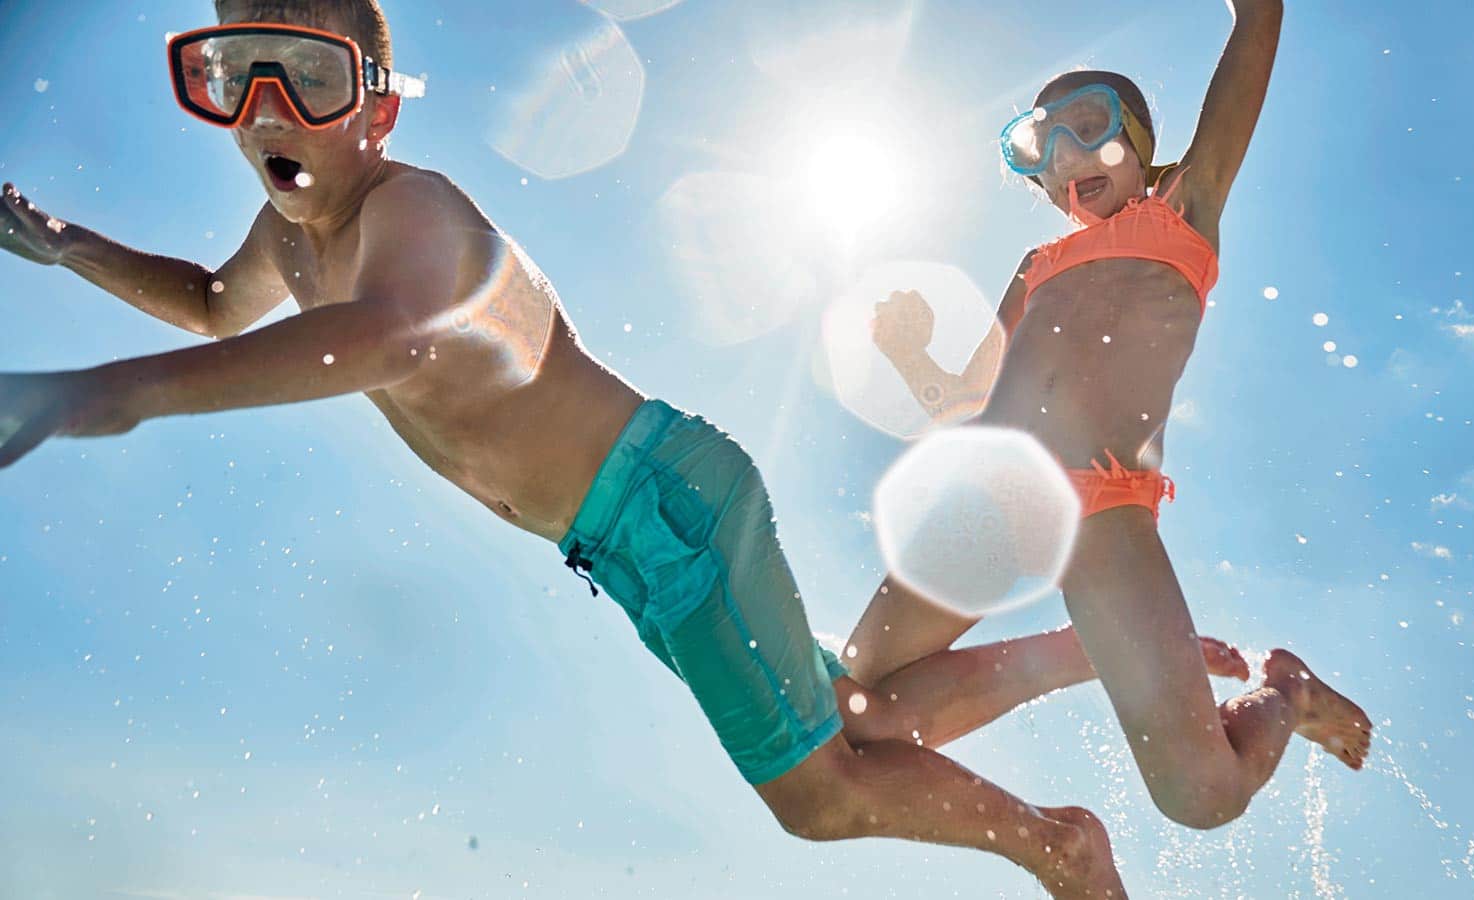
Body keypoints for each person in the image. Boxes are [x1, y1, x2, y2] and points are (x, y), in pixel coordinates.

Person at [0, 1, 1139, 895]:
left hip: (662, 500)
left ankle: (1058, 851)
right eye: (226, 73)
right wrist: (64, 248)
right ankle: (1078, 661)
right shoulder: (283, 240)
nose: (263, 110)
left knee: (817, 795)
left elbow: (389, 339)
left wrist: (115, 392)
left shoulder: (413, 212)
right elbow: (209, 303)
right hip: (624, 539)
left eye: (306, 79)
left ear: (377, 111)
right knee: (842, 711)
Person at [856, 0, 1373, 834]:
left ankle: (1288, 693)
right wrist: (914, 355)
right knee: (852, 710)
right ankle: (1069, 655)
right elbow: (967, 402)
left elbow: (1259, 25)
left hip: (1106, 512)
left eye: (1086, 123)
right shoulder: (1036, 266)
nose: (1065, 156)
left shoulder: (1186, 209)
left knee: (1202, 797)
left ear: (1135, 134)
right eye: (1038, 144)